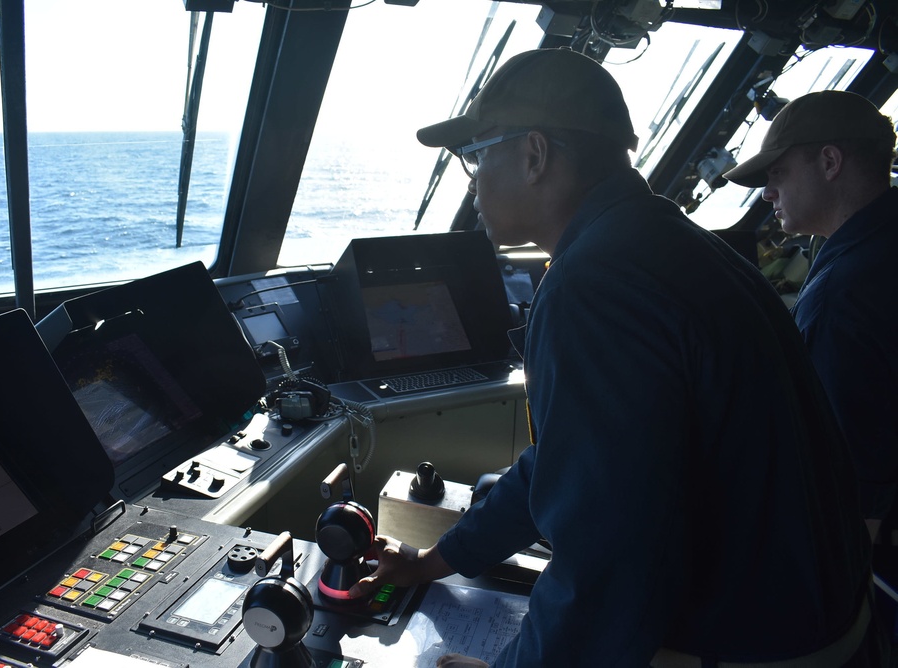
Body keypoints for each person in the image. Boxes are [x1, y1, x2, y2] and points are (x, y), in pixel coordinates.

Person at [349, 48, 886, 666]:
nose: (471, 181)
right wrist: (436, 561)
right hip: (822, 618)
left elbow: (607, 558)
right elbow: (568, 463)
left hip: (758, 644)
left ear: (534, 155)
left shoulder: (594, 287)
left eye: (475, 154)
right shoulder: (669, 244)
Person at [724, 90, 898, 549]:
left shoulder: (842, 297)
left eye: (778, 173)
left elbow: (848, 479)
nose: (767, 192)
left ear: (829, 162)